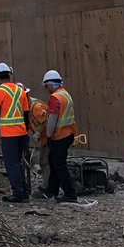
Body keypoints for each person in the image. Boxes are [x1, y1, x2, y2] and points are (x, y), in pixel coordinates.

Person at [0, 62, 30, 202]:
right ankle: (24, 192)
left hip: (9, 135)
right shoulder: (19, 90)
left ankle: (18, 194)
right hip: (22, 133)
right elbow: (26, 113)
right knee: (18, 162)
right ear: (9, 74)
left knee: (12, 164)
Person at [41, 69, 78, 203]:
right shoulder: (66, 94)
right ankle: (52, 189)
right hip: (68, 133)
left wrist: (48, 135)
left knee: (59, 164)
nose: (47, 89)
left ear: (50, 84)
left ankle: (70, 193)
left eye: (46, 86)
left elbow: (52, 119)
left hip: (60, 136)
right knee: (54, 161)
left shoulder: (55, 98)